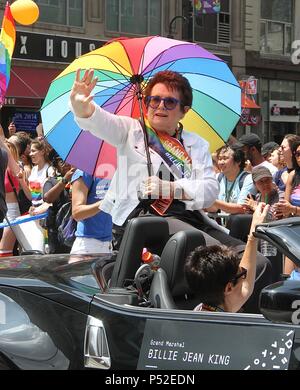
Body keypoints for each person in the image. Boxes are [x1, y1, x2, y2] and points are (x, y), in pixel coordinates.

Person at [69, 68, 273, 312]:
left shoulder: (196, 144)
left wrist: (172, 188)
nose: (160, 106)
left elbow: (209, 192)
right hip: (147, 217)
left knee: (258, 264)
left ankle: (234, 322)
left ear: (184, 110)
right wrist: (81, 107)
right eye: (154, 99)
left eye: (169, 101)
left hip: (189, 216)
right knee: (221, 263)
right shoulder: (131, 131)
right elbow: (98, 121)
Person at [184, 203, 269, 313]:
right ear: (228, 288)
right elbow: (246, 286)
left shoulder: (200, 309)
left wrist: (253, 233)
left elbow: (245, 286)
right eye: (242, 274)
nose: (245, 275)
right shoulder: (226, 328)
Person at [70, 169, 112, 255]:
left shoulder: (115, 172)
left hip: (108, 245)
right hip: (87, 245)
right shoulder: (83, 173)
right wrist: (105, 203)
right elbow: (77, 213)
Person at [206, 145, 252, 215]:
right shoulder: (218, 177)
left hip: (240, 225)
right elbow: (213, 209)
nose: (221, 162)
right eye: (219, 158)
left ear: (238, 161)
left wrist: (213, 201)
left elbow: (241, 208)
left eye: (225, 158)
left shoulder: (247, 179)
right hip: (222, 225)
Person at [43, 155, 75, 253]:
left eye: (68, 160)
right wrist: (65, 180)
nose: (65, 164)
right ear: (56, 166)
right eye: (61, 161)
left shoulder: (80, 179)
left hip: (76, 229)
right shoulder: (51, 181)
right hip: (57, 230)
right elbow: (48, 198)